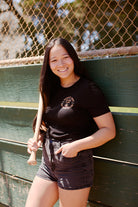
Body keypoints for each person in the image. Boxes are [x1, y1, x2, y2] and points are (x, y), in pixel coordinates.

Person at [25, 37, 116, 207]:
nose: (61, 63)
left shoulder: (88, 89)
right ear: (48, 64)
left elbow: (109, 130)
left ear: (73, 57)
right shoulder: (50, 89)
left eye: (65, 57)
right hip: (48, 163)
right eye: (54, 60)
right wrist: (37, 139)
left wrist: (76, 146)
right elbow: (50, 125)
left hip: (74, 164)